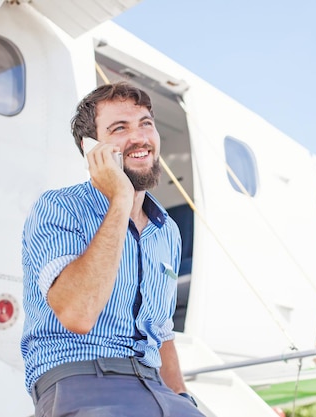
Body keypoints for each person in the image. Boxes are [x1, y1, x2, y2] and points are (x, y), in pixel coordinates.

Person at [21, 82, 204, 417]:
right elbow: (78, 312)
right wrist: (120, 199)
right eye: (120, 128)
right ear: (91, 148)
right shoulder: (59, 208)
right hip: (83, 381)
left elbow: (161, 332)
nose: (140, 137)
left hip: (155, 390)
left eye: (145, 124)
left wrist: (182, 399)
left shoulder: (167, 233)